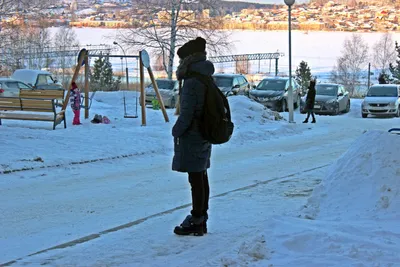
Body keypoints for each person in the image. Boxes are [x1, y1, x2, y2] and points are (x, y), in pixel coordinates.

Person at [172, 37, 213, 236]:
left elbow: (187, 113)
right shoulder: (205, 77)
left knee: (195, 179)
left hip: (193, 135)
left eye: (181, 60)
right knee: (201, 176)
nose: (179, 64)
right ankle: (201, 218)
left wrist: (176, 130)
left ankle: (197, 220)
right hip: (204, 133)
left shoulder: (192, 81)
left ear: (187, 60)